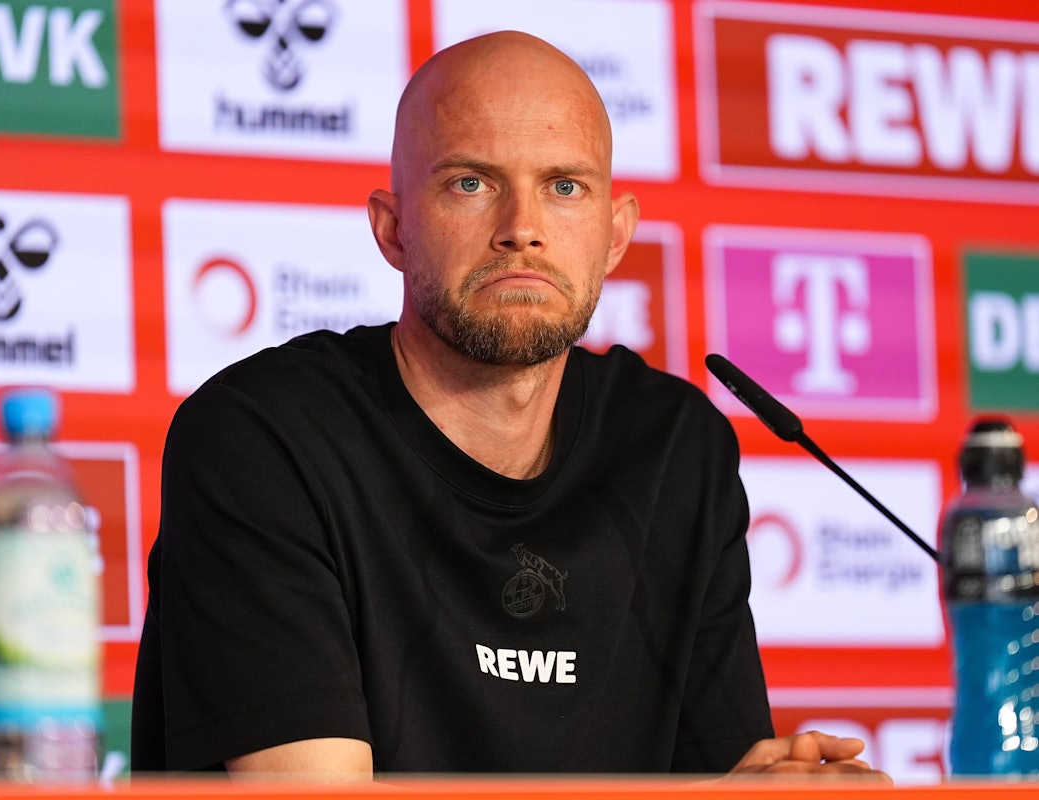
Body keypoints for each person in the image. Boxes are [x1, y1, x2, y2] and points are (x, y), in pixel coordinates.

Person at [131, 30, 888, 783]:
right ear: (392, 229)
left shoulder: (674, 448)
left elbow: (722, 776)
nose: (520, 227)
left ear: (614, 233)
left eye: (565, 186)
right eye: (471, 182)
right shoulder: (263, 437)